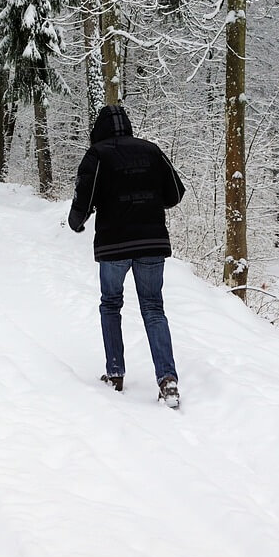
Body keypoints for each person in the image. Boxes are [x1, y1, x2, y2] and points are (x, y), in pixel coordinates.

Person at [68, 104, 186, 408]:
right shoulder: (151, 150)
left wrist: (76, 221)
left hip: (114, 244)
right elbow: (174, 193)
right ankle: (168, 381)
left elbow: (84, 196)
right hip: (151, 243)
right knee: (153, 307)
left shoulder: (97, 155)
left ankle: (115, 373)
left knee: (110, 304)